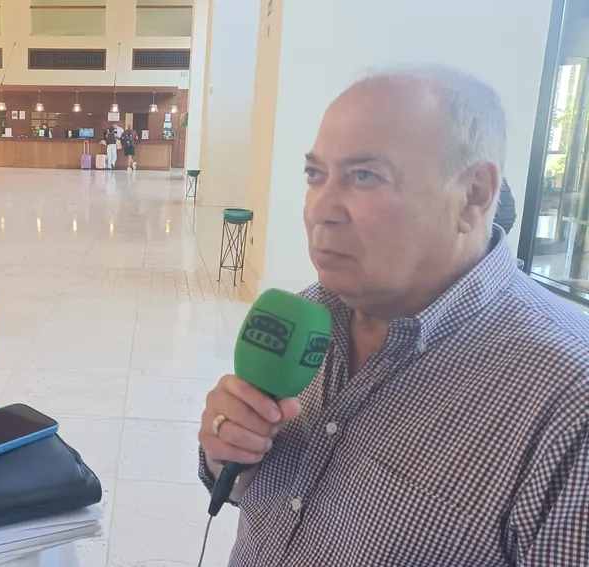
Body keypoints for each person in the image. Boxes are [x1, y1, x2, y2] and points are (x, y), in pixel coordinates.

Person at [198, 66, 589, 566]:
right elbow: (255, 496)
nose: (320, 208)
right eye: (315, 174)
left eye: (364, 177)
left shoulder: (569, 403)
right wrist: (228, 456)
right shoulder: (312, 314)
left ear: (473, 194)